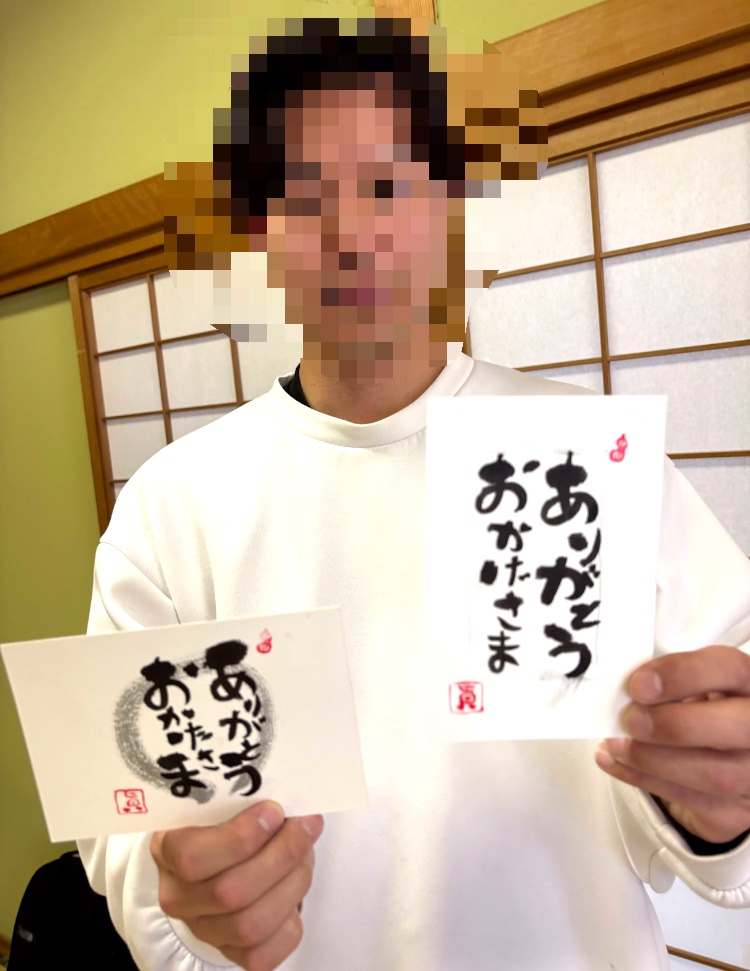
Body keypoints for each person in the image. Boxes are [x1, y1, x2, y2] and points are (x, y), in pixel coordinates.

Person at [79, 12, 750, 971]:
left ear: (446, 211)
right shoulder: (171, 506)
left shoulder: (583, 456)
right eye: (306, 195)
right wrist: (186, 901)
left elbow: (724, 711)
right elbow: (126, 828)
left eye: (388, 185)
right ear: (262, 232)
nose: (352, 233)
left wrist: (716, 801)